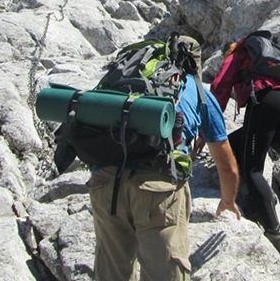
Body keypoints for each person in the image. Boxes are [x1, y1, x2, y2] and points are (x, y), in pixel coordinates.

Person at [88, 36, 241, 281]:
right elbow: (227, 165)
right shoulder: (198, 91)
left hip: (105, 179)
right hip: (157, 185)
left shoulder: (127, 80)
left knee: (111, 272)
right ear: (195, 63)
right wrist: (228, 200)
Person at [210, 36, 280, 256]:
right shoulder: (271, 62)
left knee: (253, 170)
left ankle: (275, 233)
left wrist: (208, 126)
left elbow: (220, 86)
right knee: (233, 145)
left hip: (266, 103)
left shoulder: (237, 54)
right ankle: (257, 198)